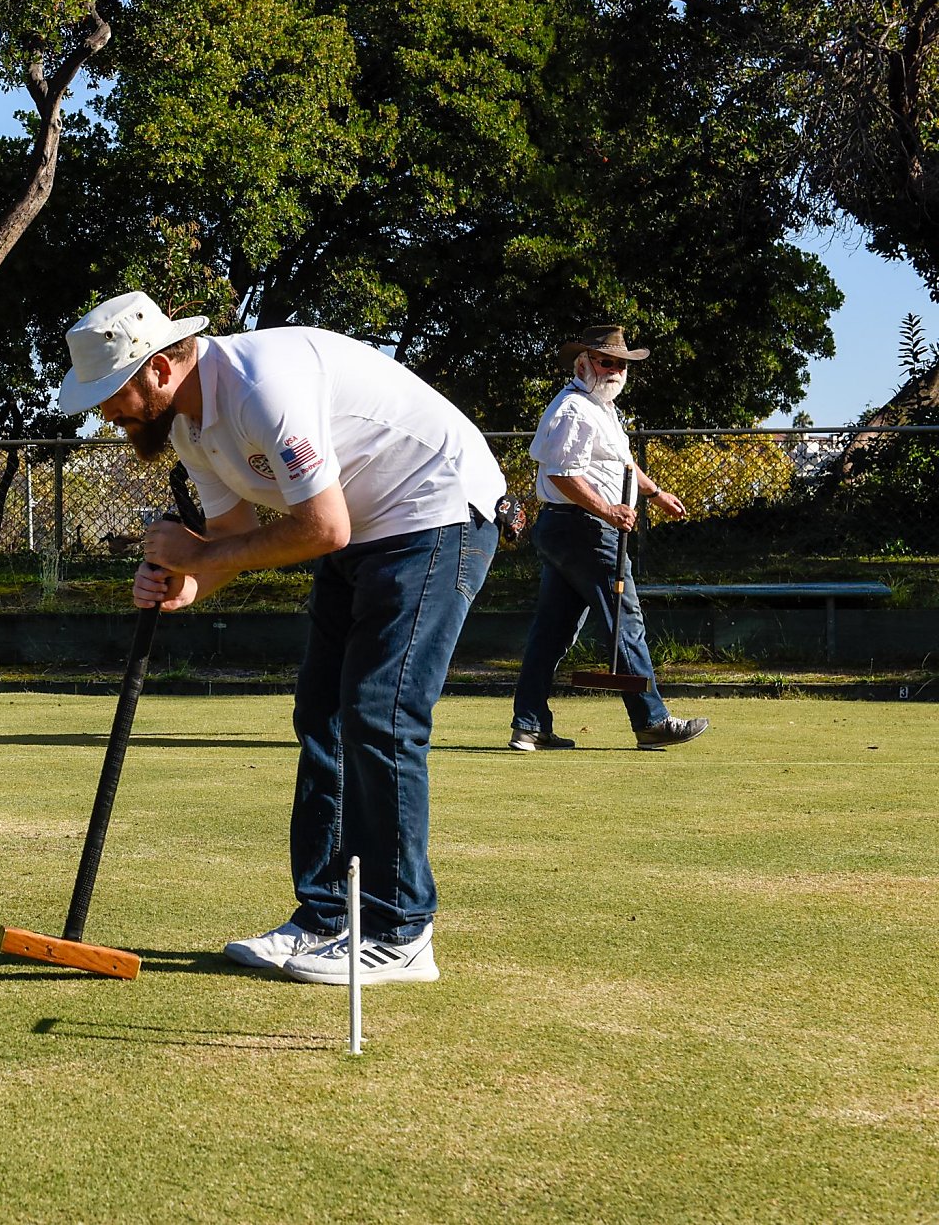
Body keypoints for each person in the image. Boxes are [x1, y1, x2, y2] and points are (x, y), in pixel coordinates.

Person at [57, 291, 506, 986]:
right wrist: (190, 581)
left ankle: (399, 929)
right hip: (366, 531)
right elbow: (234, 539)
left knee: (380, 712)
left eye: (111, 393)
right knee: (321, 717)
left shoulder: (263, 389)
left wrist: (197, 555)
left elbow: (322, 528)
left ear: (158, 370)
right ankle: (325, 916)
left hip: (436, 508)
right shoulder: (187, 428)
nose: (105, 413)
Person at [509, 327, 709, 752]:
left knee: (552, 631)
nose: (616, 370)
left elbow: (622, 463)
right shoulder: (575, 410)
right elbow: (563, 474)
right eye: (607, 361)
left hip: (571, 529)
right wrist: (607, 510)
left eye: (621, 363)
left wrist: (654, 493)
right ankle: (652, 721)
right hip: (584, 530)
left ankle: (529, 726)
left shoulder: (601, 409)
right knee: (625, 620)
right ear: (583, 363)